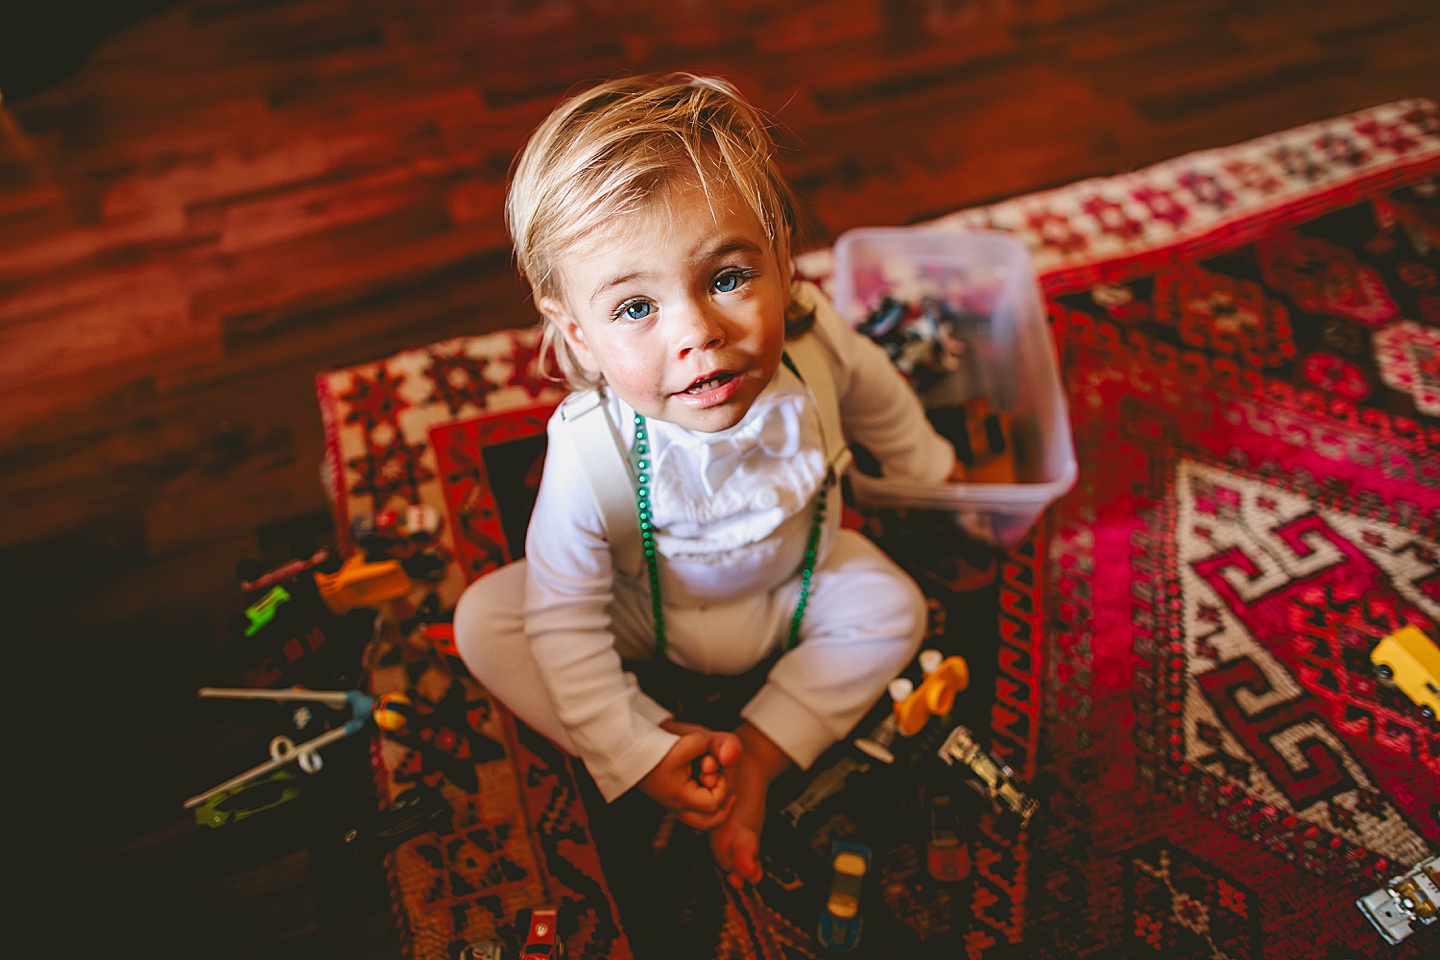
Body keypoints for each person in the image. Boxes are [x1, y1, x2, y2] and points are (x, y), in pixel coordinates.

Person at [454, 73, 965, 889]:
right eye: (634, 309)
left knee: (891, 608)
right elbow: (566, 618)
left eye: (728, 277)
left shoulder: (818, 346)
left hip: (790, 589)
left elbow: (882, 402)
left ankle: (753, 757)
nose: (699, 332)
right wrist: (628, 745)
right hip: (640, 608)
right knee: (489, 621)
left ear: (785, 267)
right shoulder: (589, 456)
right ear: (577, 337)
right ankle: (664, 750)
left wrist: (931, 474)